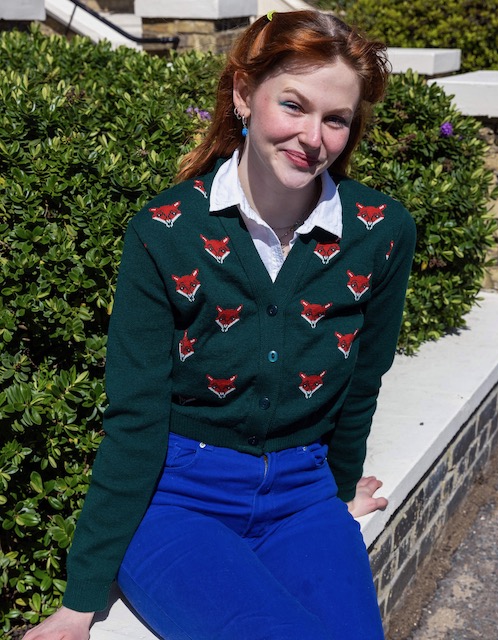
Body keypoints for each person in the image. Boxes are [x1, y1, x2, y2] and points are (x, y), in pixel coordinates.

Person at [24, 9, 416, 640]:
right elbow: (135, 417)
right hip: (178, 503)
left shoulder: (381, 232)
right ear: (243, 94)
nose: (312, 136)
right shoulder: (164, 233)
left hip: (304, 497)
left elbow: (361, 380)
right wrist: (80, 600)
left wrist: (340, 494)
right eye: (293, 105)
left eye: (336, 118)